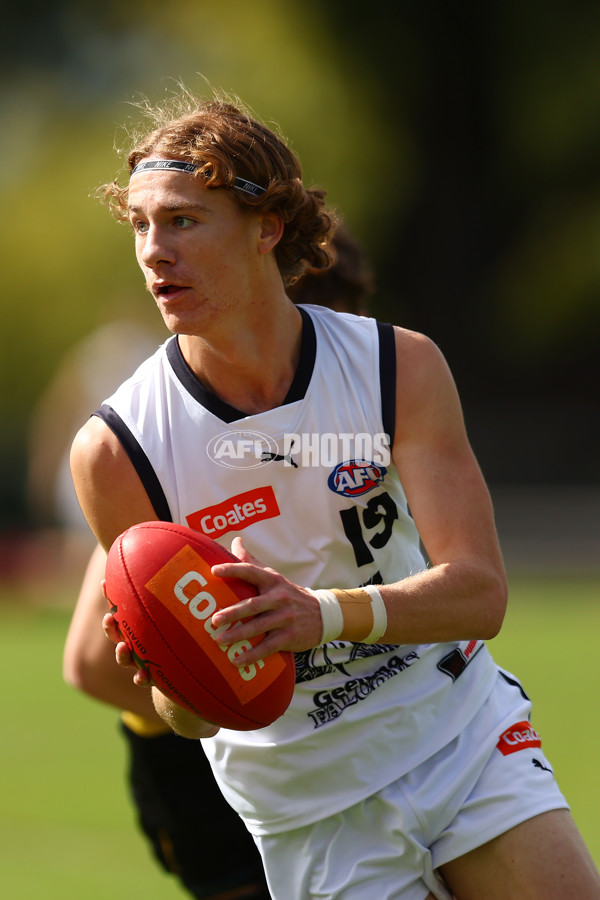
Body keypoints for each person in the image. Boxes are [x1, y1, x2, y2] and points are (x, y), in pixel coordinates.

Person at [70, 89, 600, 900]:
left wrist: (315, 613)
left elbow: (482, 594)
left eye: (182, 220)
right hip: (308, 808)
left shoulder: (399, 366)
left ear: (265, 227)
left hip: (454, 735)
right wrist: (175, 676)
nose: (152, 251)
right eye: (140, 225)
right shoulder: (116, 449)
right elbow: (191, 718)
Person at [63, 223, 375, 900]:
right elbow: (88, 661)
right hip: (197, 770)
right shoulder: (161, 446)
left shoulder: (340, 416)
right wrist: (233, 697)